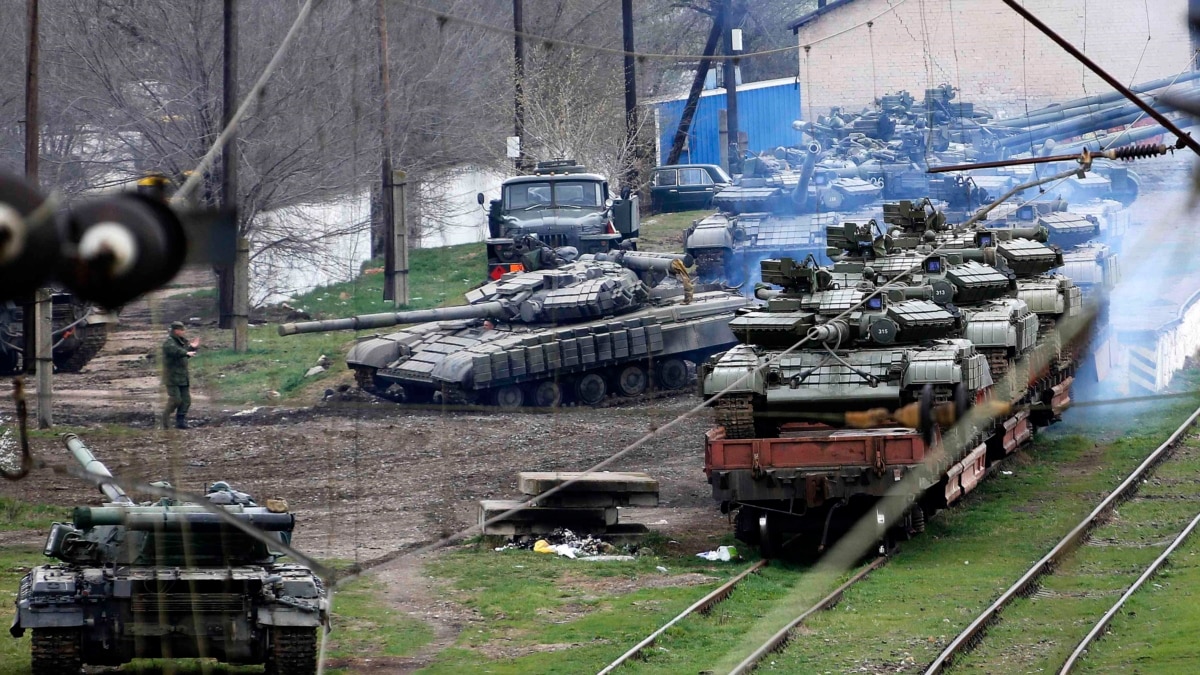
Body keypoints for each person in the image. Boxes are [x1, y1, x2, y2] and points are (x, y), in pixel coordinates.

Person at [162, 321, 199, 429]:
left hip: (182, 376)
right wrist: (186, 353)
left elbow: (184, 352)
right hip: (172, 376)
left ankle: (180, 422)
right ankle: (165, 419)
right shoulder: (169, 342)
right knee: (175, 399)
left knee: (186, 401)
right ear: (176, 330)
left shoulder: (181, 342)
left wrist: (192, 348)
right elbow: (174, 351)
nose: (184, 332)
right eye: (182, 330)